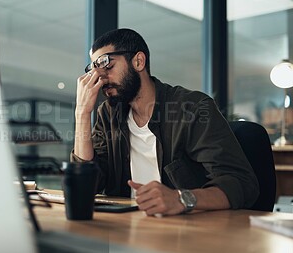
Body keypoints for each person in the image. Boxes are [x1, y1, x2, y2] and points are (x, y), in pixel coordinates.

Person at [71, 28, 259, 216]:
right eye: (95, 70)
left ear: (138, 61)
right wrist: (82, 113)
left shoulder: (193, 108)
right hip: (125, 229)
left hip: (188, 232)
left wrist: (181, 198)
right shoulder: (109, 114)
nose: (101, 78)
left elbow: (240, 182)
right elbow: (87, 184)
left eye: (107, 66)